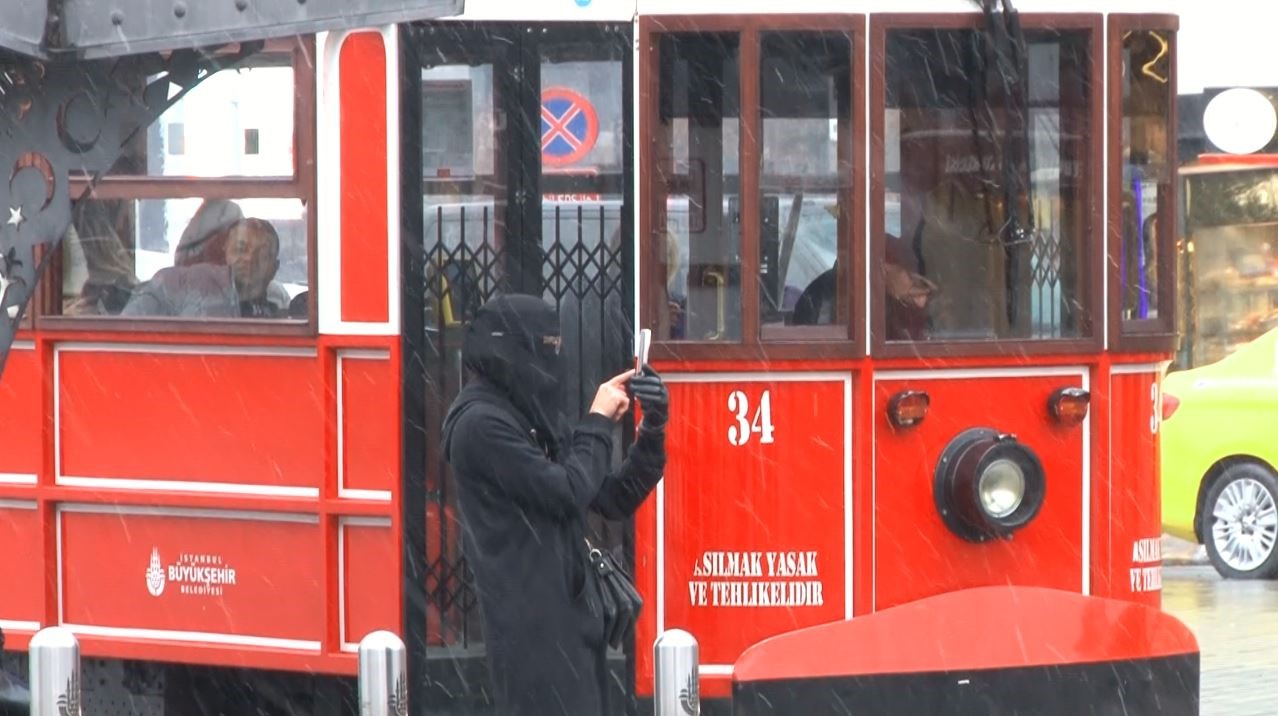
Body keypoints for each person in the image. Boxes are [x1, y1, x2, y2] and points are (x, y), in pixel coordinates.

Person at [441, 294, 669, 715]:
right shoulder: (479, 425)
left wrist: (653, 426)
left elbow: (613, 498)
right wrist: (598, 420)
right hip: (530, 636)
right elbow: (567, 492)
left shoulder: (528, 414)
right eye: (546, 348)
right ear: (513, 351)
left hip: (574, 625)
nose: (552, 363)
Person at [121, 218, 283, 318]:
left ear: (274, 269)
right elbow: (125, 332)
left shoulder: (280, 306)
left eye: (263, 254)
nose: (249, 259)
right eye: (240, 249)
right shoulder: (178, 283)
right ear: (225, 251)